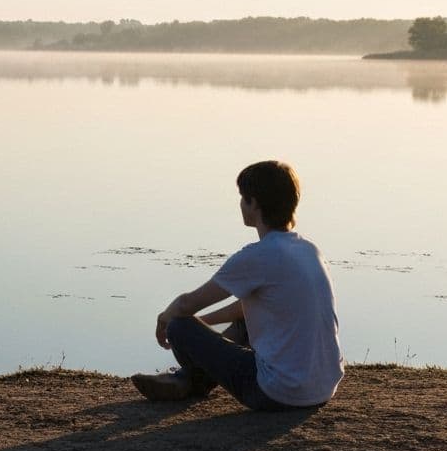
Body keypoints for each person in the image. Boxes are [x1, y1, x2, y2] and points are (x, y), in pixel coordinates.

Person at [131, 160, 343, 411]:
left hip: (277, 393)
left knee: (179, 326)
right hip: (322, 389)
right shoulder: (309, 250)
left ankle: (188, 381)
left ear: (254, 204)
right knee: (239, 324)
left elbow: (187, 304)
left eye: (243, 198)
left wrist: (166, 318)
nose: (240, 204)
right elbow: (248, 309)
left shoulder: (259, 255)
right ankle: (185, 380)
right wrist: (205, 328)